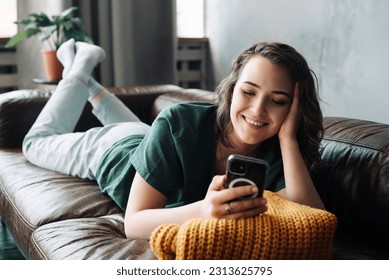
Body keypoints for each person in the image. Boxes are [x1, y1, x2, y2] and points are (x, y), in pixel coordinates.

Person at [22, 39, 325, 240]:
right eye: (248, 92)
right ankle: (79, 71)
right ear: (232, 90)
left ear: (293, 109)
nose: (258, 110)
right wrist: (203, 211)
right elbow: (134, 224)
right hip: (111, 151)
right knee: (35, 143)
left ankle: (87, 80)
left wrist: (288, 139)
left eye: (278, 100)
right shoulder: (181, 121)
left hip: (150, 141)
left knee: (142, 132)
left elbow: (314, 220)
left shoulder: (279, 153)